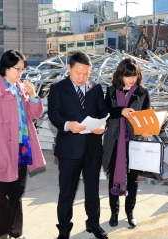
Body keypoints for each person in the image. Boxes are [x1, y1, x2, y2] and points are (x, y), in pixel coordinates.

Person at [0, 49, 46, 239]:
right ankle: (0, 235)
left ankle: (16, 233)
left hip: (21, 149)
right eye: (17, 69)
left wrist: (33, 95)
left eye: (22, 69)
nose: (20, 73)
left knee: (17, 194)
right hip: (2, 152)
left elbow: (34, 115)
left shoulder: (19, 89)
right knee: (0, 198)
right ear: (6, 68)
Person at [48, 51, 108, 239]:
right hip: (69, 149)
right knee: (67, 193)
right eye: (78, 73)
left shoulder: (96, 88)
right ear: (69, 68)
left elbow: (103, 112)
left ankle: (93, 224)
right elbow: (54, 114)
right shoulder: (58, 89)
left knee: (92, 191)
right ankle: (64, 230)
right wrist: (67, 125)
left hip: (92, 148)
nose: (82, 78)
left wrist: (102, 126)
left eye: (86, 74)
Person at [102, 58, 151, 229]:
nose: (131, 79)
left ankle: (130, 212)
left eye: (134, 75)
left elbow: (147, 117)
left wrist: (147, 130)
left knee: (133, 179)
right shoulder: (110, 91)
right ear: (120, 75)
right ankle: (114, 213)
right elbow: (105, 112)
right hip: (114, 141)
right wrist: (120, 111)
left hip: (135, 141)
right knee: (112, 178)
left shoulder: (142, 93)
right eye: (127, 75)